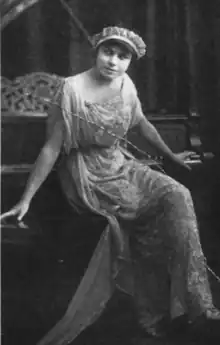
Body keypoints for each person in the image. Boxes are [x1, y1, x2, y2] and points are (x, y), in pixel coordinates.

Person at [1, 26, 220, 344]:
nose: (113, 61)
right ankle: (152, 311)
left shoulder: (125, 84)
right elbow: (51, 147)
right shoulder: (71, 90)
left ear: (130, 61)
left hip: (120, 163)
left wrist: (172, 156)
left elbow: (141, 123)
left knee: (177, 194)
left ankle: (199, 304)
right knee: (147, 215)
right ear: (96, 51)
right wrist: (25, 200)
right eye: (108, 52)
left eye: (122, 56)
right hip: (87, 174)